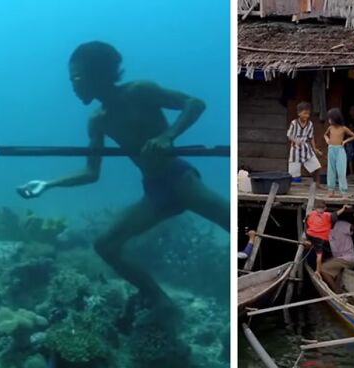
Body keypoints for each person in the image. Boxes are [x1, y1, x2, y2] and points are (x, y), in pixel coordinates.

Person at [15, 41, 229, 309]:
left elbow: (195, 104)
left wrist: (167, 136)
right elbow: (91, 173)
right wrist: (47, 184)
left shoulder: (140, 91)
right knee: (105, 246)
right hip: (154, 191)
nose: (73, 86)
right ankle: (160, 300)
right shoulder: (98, 120)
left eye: (78, 78)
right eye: (71, 79)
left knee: (232, 221)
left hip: (181, 180)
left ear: (99, 74)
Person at [305, 200, 350, 278]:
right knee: (319, 255)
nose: (319, 210)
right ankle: (318, 271)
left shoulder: (311, 214)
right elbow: (336, 214)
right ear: (325, 208)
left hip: (309, 234)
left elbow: (306, 222)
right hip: (319, 237)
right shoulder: (327, 215)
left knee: (314, 246)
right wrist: (343, 209)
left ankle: (309, 244)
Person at [320, 212, 354, 293]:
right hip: (340, 259)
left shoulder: (341, 225)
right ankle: (339, 286)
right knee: (328, 263)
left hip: (347, 259)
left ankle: (336, 290)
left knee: (322, 268)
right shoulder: (326, 230)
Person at [324, 108, 354, 197]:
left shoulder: (343, 128)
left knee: (341, 171)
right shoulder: (330, 128)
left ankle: (343, 191)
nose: (329, 120)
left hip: (340, 150)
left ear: (335, 118)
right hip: (331, 149)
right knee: (331, 170)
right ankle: (331, 190)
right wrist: (327, 139)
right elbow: (325, 134)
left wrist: (345, 141)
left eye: (330, 119)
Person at [288, 102, 322, 186]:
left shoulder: (310, 124)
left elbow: (311, 137)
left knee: (316, 167)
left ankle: (316, 184)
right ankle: (293, 187)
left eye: (308, 114)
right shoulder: (294, 123)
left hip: (306, 149)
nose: (307, 116)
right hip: (295, 150)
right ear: (299, 113)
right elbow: (289, 135)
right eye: (304, 113)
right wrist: (295, 140)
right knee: (294, 173)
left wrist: (314, 148)